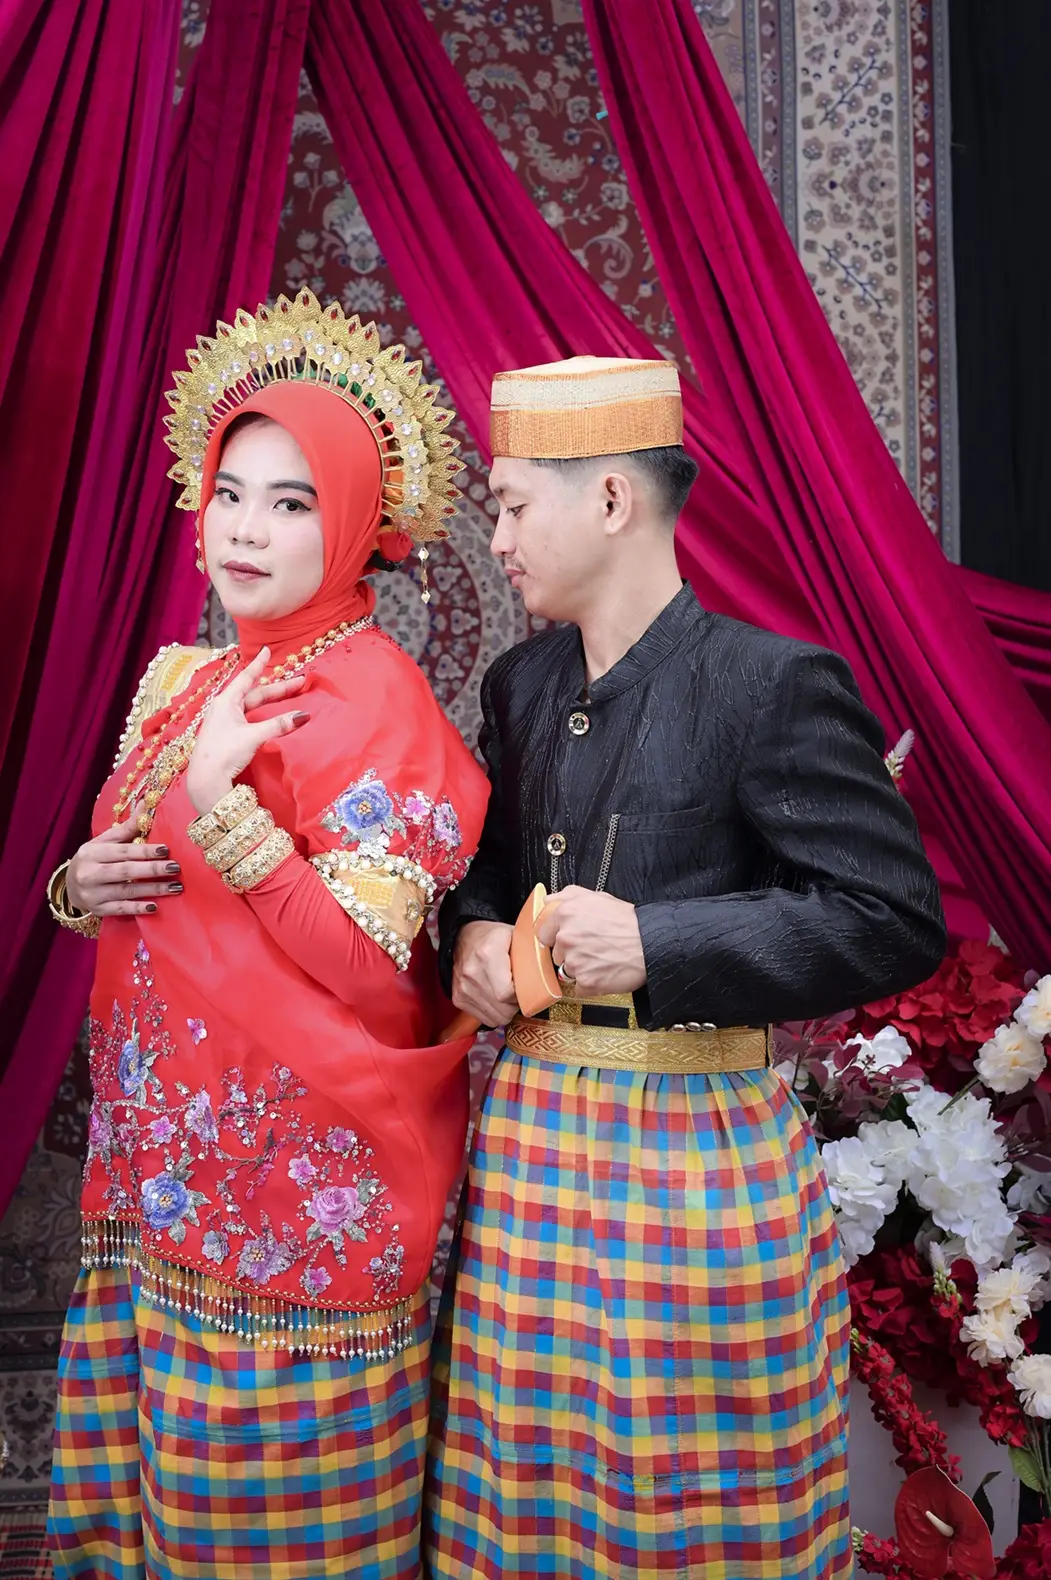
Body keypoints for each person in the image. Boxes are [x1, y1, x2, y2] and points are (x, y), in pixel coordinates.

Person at [425, 355, 947, 1579]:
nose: (496, 537)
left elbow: (891, 916)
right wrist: (473, 936)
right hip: (530, 1142)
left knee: (692, 1502)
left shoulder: (770, 683)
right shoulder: (519, 684)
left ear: (611, 498)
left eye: (513, 503)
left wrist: (660, 942)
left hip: (698, 1151)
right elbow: (484, 867)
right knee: (530, 1485)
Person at [44, 292, 489, 1580]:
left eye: (292, 502)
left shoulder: (377, 699)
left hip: (299, 1181)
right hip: (161, 1167)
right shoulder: (187, 678)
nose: (245, 527)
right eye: (230, 493)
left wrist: (223, 804)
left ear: (352, 521)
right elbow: (141, 885)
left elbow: (362, 959)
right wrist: (80, 882)